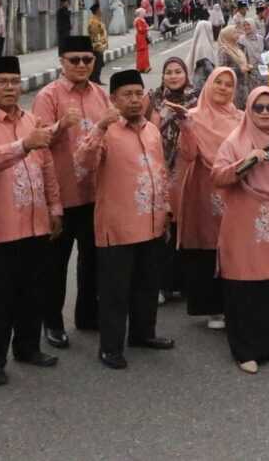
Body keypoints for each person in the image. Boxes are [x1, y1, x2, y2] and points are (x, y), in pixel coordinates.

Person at [0, 55, 63, 387]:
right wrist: (24, 144)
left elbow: (46, 165)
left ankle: (27, 347)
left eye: (14, 81)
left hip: (35, 223)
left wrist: (55, 208)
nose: (9, 87)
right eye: (2, 81)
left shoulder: (31, 119)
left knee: (33, 289)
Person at [73, 69, 176, 369]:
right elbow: (83, 163)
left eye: (137, 94)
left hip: (152, 222)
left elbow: (161, 172)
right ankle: (110, 347)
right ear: (114, 99)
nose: (133, 100)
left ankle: (144, 334)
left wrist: (166, 210)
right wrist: (99, 128)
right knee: (115, 291)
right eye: (126, 95)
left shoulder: (152, 130)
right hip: (118, 226)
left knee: (146, 285)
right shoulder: (105, 131)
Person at [212, 88, 269, 374]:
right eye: (258, 108)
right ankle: (246, 350)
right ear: (249, 110)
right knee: (248, 286)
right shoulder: (235, 141)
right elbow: (217, 175)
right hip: (247, 227)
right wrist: (247, 162)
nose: (265, 113)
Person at [32, 36, 111, 349]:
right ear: (61, 61)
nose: (81, 65)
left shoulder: (101, 95)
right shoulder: (48, 96)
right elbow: (35, 142)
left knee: (92, 260)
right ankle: (51, 322)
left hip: (95, 193)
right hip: (61, 195)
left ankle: (88, 315)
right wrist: (60, 126)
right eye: (74, 60)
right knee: (55, 265)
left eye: (87, 60)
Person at [174, 67, 242, 329]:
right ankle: (212, 307)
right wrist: (186, 129)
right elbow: (189, 155)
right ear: (208, 85)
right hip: (204, 190)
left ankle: (233, 303)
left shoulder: (240, 118)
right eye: (218, 83)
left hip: (234, 187)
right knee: (207, 246)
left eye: (228, 84)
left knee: (233, 244)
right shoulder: (193, 116)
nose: (223, 88)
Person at [216, 24, 253, 108]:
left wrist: (248, 67)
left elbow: (244, 63)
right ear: (228, 35)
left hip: (244, 85)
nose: (237, 34)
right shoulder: (224, 50)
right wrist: (239, 69)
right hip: (233, 88)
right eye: (234, 33)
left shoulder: (239, 47)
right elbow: (222, 70)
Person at [186, 19, 218, 94]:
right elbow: (208, 66)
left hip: (197, 81)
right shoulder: (204, 45)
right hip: (203, 84)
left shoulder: (199, 42)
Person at [88, 3, 109, 84]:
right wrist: (100, 44)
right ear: (97, 11)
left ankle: (96, 79)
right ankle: (94, 80)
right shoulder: (94, 22)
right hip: (96, 45)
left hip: (100, 45)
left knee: (99, 63)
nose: (101, 11)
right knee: (97, 63)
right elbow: (95, 34)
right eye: (100, 10)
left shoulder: (97, 20)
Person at [134, 8, 151, 74]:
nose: (144, 13)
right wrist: (147, 28)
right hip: (141, 37)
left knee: (144, 52)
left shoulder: (141, 20)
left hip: (142, 37)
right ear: (140, 13)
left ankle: (143, 67)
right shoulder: (139, 20)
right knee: (142, 52)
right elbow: (141, 29)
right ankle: (143, 67)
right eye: (143, 12)